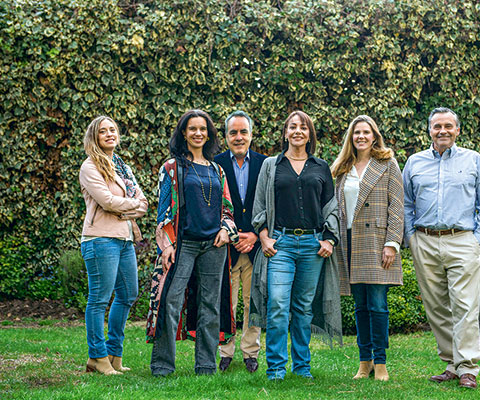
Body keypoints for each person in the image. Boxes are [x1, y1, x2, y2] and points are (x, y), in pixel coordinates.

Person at [403, 107, 480, 389]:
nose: (442, 131)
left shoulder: (473, 160)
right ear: (429, 130)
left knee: (465, 306)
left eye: (448, 126)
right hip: (425, 242)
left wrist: (477, 239)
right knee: (436, 307)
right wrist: (411, 238)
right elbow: (406, 204)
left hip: (462, 240)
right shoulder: (415, 162)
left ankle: (468, 367)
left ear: (457, 130)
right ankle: (452, 364)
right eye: (437, 126)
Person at [249, 110, 342, 381]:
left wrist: (329, 238)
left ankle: (302, 368)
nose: (298, 131)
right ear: (286, 133)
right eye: (293, 127)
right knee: (278, 304)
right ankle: (276, 369)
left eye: (303, 127)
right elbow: (260, 205)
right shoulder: (271, 165)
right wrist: (264, 236)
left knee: (303, 308)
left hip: (313, 245)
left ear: (310, 133)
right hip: (281, 244)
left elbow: (331, 207)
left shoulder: (321, 167)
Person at [146, 109, 238, 376]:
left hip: (214, 246)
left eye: (203, 129)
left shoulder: (217, 170)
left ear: (208, 134)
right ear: (183, 133)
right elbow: (164, 209)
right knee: (171, 301)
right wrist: (168, 245)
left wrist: (226, 229)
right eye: (192, 129)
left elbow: (227, 207)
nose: (198, 133)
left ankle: (207, 366)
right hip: (183, 245)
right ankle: (163, 366)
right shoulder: (172, 168)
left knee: (210, 305)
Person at [331, 115, 404, 381]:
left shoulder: (387, 164)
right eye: (356, 133)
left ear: (374, 136)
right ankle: (365, 363)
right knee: (360, 306)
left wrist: (392, 243)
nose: (361, 137)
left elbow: (396, 207)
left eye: (366, 132)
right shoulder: (342, 167)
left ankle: (381, 363)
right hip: (349, 242)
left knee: (378, 305)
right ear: (351, 138)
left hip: (377, 243)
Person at [79, 116, 148, 375]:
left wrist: (129, 208)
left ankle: (113, 354)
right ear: (94, 137)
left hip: (124, 238)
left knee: (128, 294)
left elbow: (143, 202)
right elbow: (107, 201)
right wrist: (131, 207)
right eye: (103, 131)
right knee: (99, 299)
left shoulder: (121, 166)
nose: (109, 134)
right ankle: (97, 357)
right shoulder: (90, 166)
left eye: (113, 130)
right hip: (100, 239)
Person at [214, 111, 267, 373]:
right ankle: (225, 350)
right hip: (227, 247)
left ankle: (250, 352)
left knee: (253, 300)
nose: (238, 137)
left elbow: (270, 204)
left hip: (256, 245)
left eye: (243, 132)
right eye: (233, 132)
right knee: (227, 299)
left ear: (251, 134)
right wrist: (232, 235)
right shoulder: (214, 164)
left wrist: (256, 234)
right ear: (226, 136)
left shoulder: (264, 164)